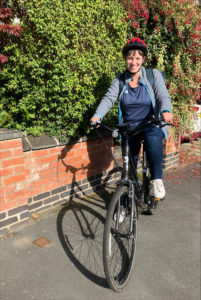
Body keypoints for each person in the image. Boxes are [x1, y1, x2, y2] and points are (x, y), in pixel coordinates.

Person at [91, 37, 173, 199]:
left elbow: (163, 95)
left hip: (151, 123)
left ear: (142, 59)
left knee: (153, 140)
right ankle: (124, 202)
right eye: (130, 58)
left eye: (137, 58)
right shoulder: (120, 80)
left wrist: (165, 110)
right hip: (130, 128)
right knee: (129, 169)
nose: (133, 62)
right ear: (125, 59)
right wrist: (97, 115)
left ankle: (156, 179)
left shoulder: (152, 75)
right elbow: (109, 98)